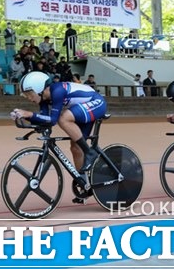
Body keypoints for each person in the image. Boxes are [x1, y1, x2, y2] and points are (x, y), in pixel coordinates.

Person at [10, 71, 106, 202]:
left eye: (29, 94)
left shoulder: (58, 91)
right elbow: (45, 120)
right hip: (82, 108)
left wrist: (28, 114)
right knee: (75, 148)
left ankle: (89, 152)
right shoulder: (44, 99)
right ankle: (85, 185)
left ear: (39, 89)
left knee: (63, 118)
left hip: (96, 102)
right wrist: (24, 117)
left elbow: (53, 120)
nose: (28, 98)